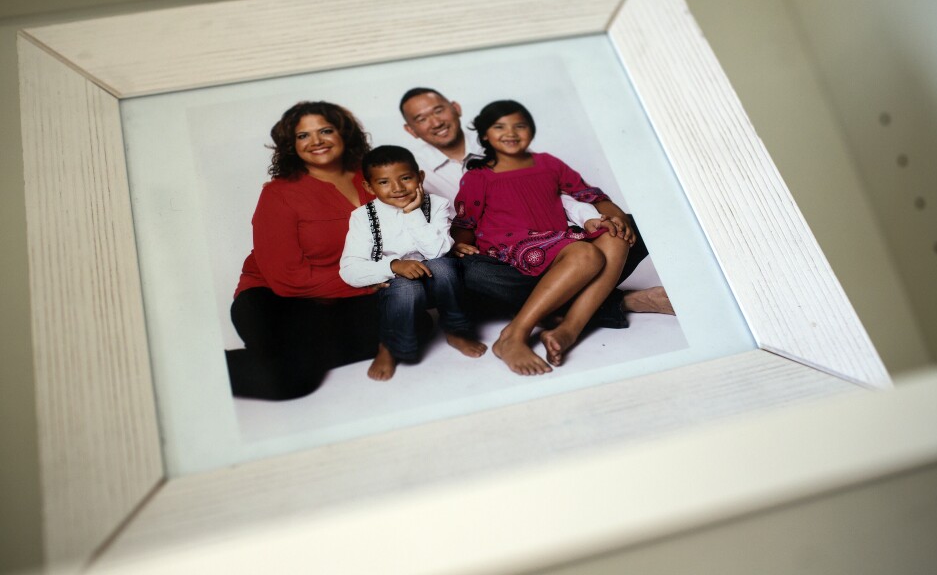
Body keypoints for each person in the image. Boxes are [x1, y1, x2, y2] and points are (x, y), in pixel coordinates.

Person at [399, 87, 674, 324]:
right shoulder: (414, 173)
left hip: (549, 243)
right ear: (410, 130)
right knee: (468, 272)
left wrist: (594, 216)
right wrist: (456, 243)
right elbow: (439, 226)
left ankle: (552, 309)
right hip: (494, 259)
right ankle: (618, 303)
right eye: (421, 119)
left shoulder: (500, 138)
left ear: (455, 108)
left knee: (627, 226)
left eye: (438, 110)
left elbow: (552, 193)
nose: (435, 122)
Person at [225, 101, 398, 400]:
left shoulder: (373, 177)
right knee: (290, 378)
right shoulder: (279, 193)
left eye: (326, 130)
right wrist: (370, 280)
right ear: (292, 146)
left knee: (416, 327)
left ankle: (297, 351)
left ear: (344, 133)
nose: (316, 141)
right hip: (275, 299)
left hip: (343, 298)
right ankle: (200, 369)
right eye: (303, 136)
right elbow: (287, 278)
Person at [451, 100, 632, 376]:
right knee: (585, 254)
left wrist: (616, 217)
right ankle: (514, 335)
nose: (511, 133)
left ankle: (568, 330)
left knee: (616, 237)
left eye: (519, 126)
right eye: (500, 127)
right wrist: (459, 245)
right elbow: (466, 220)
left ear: (531, 132)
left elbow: (589, 194)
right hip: (511, 243)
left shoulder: (549, 163)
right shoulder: (479, 176)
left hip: (558, 237)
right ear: (485, 135)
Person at [340, 145, 486, 380]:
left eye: (406, 178)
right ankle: (390, 346)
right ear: (369, 186)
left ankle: (455, 330)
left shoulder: (436, 204)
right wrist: (393, 266)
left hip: (436, 280)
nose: (397, 188)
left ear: (420, 177)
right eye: (384, 182)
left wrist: (412, 212)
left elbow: (439, 250)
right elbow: (349, 269)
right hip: (397, 287)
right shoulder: (363, 217)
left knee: (445, 267)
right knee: (407, 290)